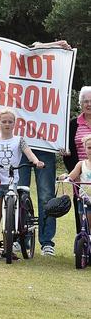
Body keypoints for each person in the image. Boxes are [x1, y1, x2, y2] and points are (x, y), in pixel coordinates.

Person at [0, 108, 44, 260]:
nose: (7, 124)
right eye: (4, 121)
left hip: (12, 181)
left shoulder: (19, 140)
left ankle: (8, 247)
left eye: (10, 122)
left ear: (15, 124)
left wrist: (36, 161)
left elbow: (29, 153)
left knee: (11, 216)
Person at [64, 85, 91, 237]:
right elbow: (67, 153)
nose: (89, 104)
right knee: (81, 210)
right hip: (81, 175)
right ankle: (82, 244)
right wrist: (76, 174)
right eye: (85, 101)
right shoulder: (73, 124)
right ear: (81, 104)